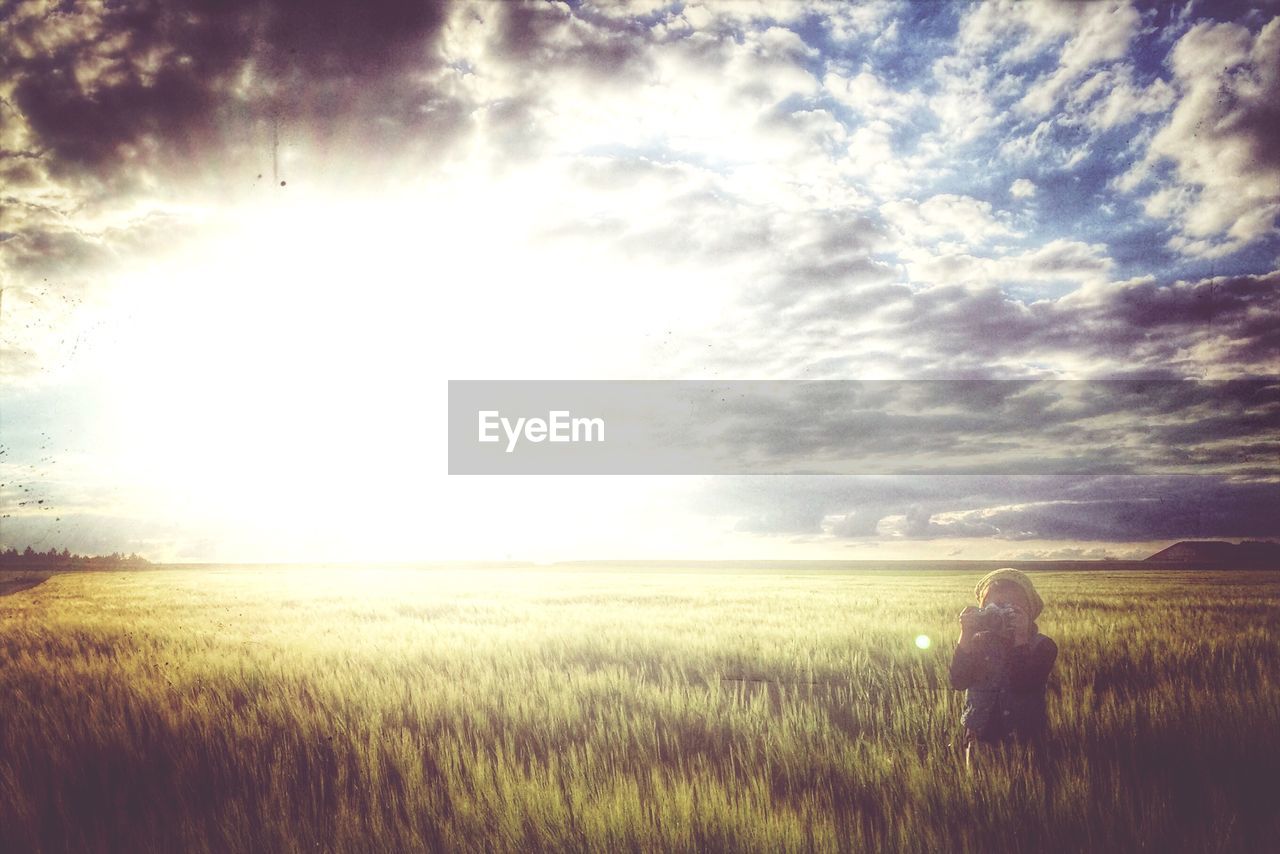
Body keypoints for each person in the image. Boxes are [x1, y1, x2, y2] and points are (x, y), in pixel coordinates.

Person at [949, 568, 1058, 773]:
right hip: (980, 737)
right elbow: (958, 680)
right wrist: (965, 635)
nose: (1000, 613)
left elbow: (1023, 683)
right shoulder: (976, 642)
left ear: (1029, 610)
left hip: (1027, 738)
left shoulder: (1043, 646)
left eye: (1011, 608)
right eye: (994, 607)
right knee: (979, 788)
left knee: (1029, 787)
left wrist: (1021, 639)